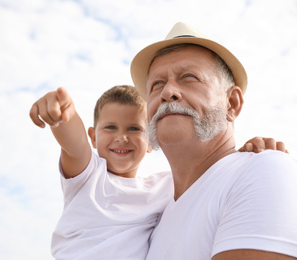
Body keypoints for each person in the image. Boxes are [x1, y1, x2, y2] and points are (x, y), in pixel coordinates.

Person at [30, 84, 287, 260]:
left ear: (151, 140)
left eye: (134, 129)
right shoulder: (88, 177)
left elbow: (210, 176)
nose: (122, 137)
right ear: (93, 137)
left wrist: (249, 151)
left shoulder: (163, 188)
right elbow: (74, 146)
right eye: (110, 127)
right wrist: (64, 116)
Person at [130, 22, 297, 259]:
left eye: (189, 77)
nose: (168, 92)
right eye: (157, 84)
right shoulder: (155, 217)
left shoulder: (262, 169)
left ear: (232, 103)